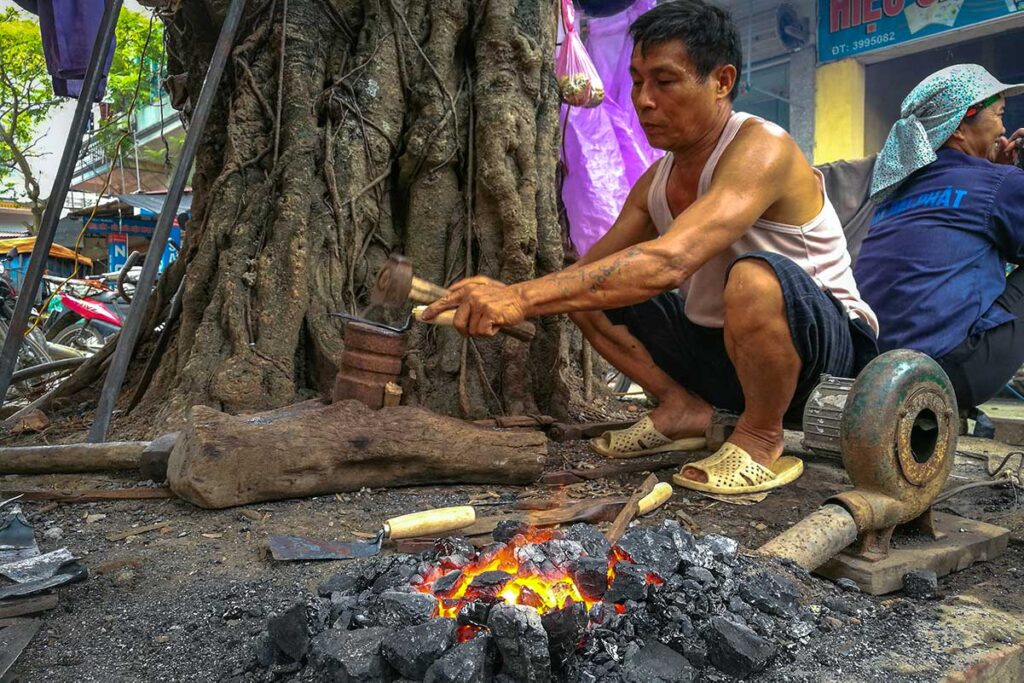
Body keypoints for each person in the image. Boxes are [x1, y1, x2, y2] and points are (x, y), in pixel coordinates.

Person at [422, 0, 878, 494]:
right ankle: (682, 407)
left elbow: (669, 261)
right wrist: (509, 292)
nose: (643, 99)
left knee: (752, 277)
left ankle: (760, 437)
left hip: (824, 362)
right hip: (727, 358)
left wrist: (518, 300)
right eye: (637, 80)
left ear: (721, 81)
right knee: (588, 294)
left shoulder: (762, 147)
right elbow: (593, 272)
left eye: (664, 81)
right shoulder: (655, 181)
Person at [854, 65, 1024, 424]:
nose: (1004, 129)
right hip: (946, 375)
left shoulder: (893, 193)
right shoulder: (1000, 183)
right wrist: (1011, 179)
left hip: (874, 376)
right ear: (961, 126)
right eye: (999, 115)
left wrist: (1004, 178)